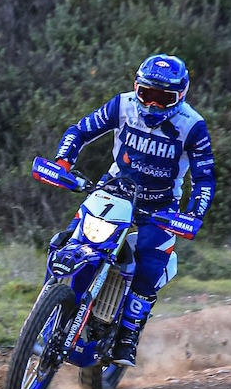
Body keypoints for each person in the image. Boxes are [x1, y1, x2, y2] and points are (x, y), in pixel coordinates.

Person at [51, 53, 216, 367]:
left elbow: (204, 177)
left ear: (180, 96)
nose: (152, 105)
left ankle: (127, 335)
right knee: (71, 240)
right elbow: (81, 130)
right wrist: (63, 162)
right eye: (147, 95)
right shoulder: (122, 105)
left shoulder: (192, 126)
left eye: (162, 98)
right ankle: (53, 297)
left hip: (161, 206)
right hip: (114, 189)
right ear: (136, 88)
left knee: (150, 267)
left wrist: (194, 213)